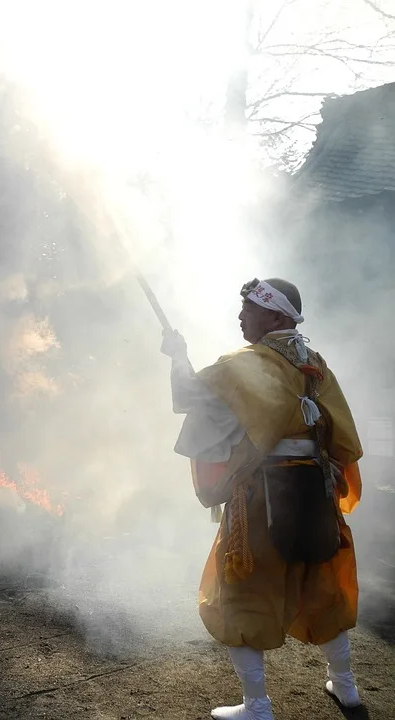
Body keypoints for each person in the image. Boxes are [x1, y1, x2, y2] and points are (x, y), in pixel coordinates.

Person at [161, 278, 363, 720]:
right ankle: (346, 689)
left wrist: (178, 356)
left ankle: (257, 707)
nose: (240, 317)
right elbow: (343, 437)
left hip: (260, 495)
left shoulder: (244, 363)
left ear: (275, 315)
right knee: (321, 586)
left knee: (244, 591)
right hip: (316, 492)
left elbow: (189, 398)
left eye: (248, 308)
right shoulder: (317, 364)